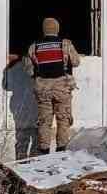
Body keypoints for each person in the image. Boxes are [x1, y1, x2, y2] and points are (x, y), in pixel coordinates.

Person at [25, 17, 80, 154]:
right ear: (57, 29)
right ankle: (61, 151)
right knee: (63, 119)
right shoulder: (65, 44)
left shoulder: (34, 46)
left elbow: (29, 70)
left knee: (44, 122)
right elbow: (76, 62)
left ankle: (44, 152)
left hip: (43, 89)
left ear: (44, 30)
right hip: (62, 88)